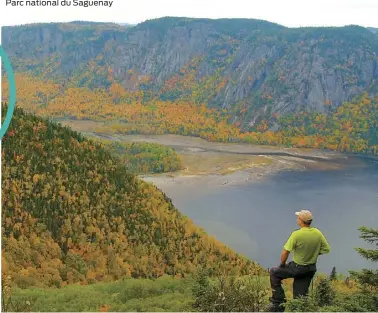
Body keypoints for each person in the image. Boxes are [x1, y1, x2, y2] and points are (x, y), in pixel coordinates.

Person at [265, 209, 331, 312]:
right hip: (310, 269)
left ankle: (278, 303)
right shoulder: (317, 233)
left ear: (301, 221)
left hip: (297, 268)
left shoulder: (296, 234)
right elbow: (326, 249)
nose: (297, 219)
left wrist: (282, 264)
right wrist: (312, 253)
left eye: (298, 217)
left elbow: (285, 252)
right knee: (300, 298)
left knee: (274, 272)